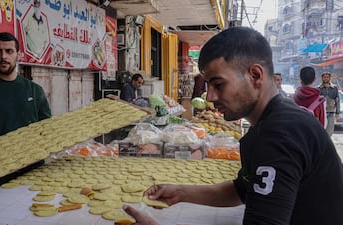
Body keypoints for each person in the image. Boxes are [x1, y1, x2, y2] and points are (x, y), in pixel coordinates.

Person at [122, 27, 343, 225]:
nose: (210, 96)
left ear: (255, 75)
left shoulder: (280, 134)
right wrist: (180, 192)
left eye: (219, 84)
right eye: (208, 85)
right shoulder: (269, 124)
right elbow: (243, 190)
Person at [0, 32, 52, 191]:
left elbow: (47, 129)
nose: (3, 57)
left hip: (35, 173)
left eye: (9, 51)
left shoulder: (35, 91)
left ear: (17, 55)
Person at [318, 72, 340, 136]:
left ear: (330, 78)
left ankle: (328, 143)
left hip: (331, 112)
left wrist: (337, 112)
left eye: (327, 77)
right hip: (321, 113)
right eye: (324, 77)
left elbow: (337, 101)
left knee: (330, 130)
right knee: (321, 129)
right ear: (322, 78)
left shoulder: (334, 88)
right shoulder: (318, 88)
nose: (326, 78)